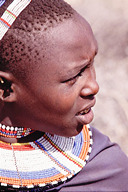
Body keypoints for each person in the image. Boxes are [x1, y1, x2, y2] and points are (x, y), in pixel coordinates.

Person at [0, 0, 128, 191]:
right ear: (5, 88)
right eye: (74, 76)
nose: (94, 86)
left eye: (92, 64)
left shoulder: (105, 171)